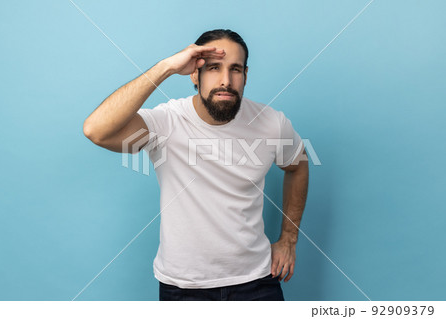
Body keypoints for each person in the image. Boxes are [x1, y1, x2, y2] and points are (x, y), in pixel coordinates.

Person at [83, 29, 309, 301]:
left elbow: (298, 167)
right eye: (214, 68)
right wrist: (165, 67)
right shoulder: (166, 122)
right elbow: (97, 131)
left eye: (235, 69)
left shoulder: (272, 123)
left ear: (245, 76)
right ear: (194, 74)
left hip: (257, 283)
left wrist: (289, 239)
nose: (226, 80)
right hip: (183, 288)